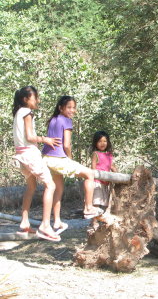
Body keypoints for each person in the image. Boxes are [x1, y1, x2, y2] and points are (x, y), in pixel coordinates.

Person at [42, 96, 103, 227]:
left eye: (74, 107)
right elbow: (67, 145)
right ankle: (88, 208)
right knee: (90, 174)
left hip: (46, 158)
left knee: (58, 190)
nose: (72, 110)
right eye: (69, 107)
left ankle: (57, 221)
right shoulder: (67, 121)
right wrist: (69, 158)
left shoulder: (53, 119)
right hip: (58, 159)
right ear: (60, 108)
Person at [12, 86, 61, 241]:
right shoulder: (27, 112)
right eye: (35, 97)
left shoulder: (18, 113)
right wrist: (45, 139)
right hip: (30, 153)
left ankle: (24, 222)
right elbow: (31, 137)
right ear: (26, 99)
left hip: (20, 154)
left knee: (31, 186)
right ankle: (45, 225)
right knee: (51, 185)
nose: (38, 100)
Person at [89, 131, 117, 231]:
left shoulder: (109, 155)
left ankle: (103, 221)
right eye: (100, 141)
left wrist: (118, 176)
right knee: (96, 202)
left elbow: (112, 167)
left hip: (106, 183)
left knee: (105, 203)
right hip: (97, 182)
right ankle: (93, 222)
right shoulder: (95, 154)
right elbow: (93, 168)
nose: (103, 143)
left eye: (105, 141)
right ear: (96, 143)